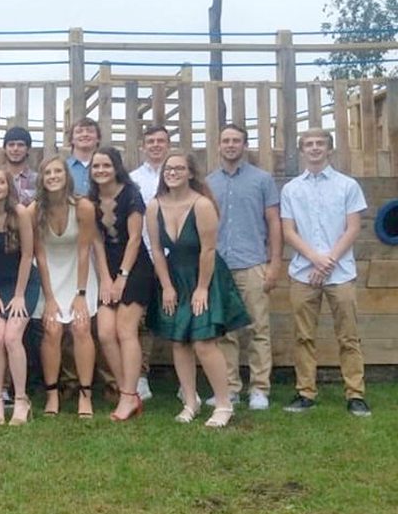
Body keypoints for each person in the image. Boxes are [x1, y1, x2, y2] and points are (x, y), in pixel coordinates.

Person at [145, 151, 250, 428]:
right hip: (173, 277)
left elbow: (208, 250)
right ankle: (190, 401)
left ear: (190, 173)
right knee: (179, 342)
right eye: (169, 169)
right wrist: (166, 286)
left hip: (205, 276)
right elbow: (156, 250)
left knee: (204, 343)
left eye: (179, 168)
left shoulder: (202, 205)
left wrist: (202, 289)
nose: (173, 173)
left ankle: (224, 404)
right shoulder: (154, 206)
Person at [280, 128, 371, 417]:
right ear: (302, 150)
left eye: (320, 144)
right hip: (303, 273)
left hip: (340, 273)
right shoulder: (291, 189)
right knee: (303, 336)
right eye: (309, 144)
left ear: (329, 149)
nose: (315, 148)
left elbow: (353, 227)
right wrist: (314, 259)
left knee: (349, 336)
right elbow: (288, 231)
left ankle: (355, 394)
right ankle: (305, 392)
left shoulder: (347, 185)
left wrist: (328, 261)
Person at [206, 124, 282, 410]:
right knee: (225, 331)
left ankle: (260, 389)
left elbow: (274, 221)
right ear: (218, 145)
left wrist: (275, 263)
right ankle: (230, 388)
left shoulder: (262, 180)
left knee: (258, 328)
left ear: (244, 145)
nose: (230, 145)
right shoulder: (209, 182)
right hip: (220, 266)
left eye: (236, 140)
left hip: (253, 263)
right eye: (225, 140)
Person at [88, 147, 154, 422]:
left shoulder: (131, 194)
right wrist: (105, 278)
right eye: (96, 166)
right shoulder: (90, 200)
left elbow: (136, 238)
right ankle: (128, 392)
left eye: (106, 165)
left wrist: (122, 277)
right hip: (108, 267)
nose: (101, 170)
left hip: (135, 268)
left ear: (116, 167)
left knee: (126, 331)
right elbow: (96, 242)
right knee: (104, 332)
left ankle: (128, 395)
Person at [30, 155, 98, 418]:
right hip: (49, 275)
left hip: (79, 274)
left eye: (58, 172)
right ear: (42, 179)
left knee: (81, 327)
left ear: (66, 176)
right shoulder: (34, 210)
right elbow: (40, 255)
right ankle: (51, 394)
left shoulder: (83, 207)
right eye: (47, 173)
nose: (53, 177)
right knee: (52, 329)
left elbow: (84, 251)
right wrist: (48, 297)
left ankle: (85, 395)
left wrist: (80, 294)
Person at [0, 168, 39, 425]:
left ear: (8, 186)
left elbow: (27, 254)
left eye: (0, 182)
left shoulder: (20, 213)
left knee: (12, 337)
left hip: (23, 283)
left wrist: (20, 295)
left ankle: (21, 400)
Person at [128, 124, 171, 402]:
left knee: (180, 317)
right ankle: (141, 377)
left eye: (161, 141)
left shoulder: (179, 175)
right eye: (151, 141)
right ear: (143, 146)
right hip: (142, 255)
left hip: (175, 255)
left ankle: (184, 378)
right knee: (140, 321)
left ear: (168, 144)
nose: (156, 145)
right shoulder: (133, 180)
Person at [65, 117, 102, 196]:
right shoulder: (63, 168)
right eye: (79, 132)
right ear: (71, 139)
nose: (85, 134)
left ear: (98, 138)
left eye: (90, 131)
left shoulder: (108, 169)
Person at [2, 126, 37, 206]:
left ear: (28, 149)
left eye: (20, 145)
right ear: (5, 148)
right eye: (11, 145)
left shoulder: (37, 180)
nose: (15, 149)